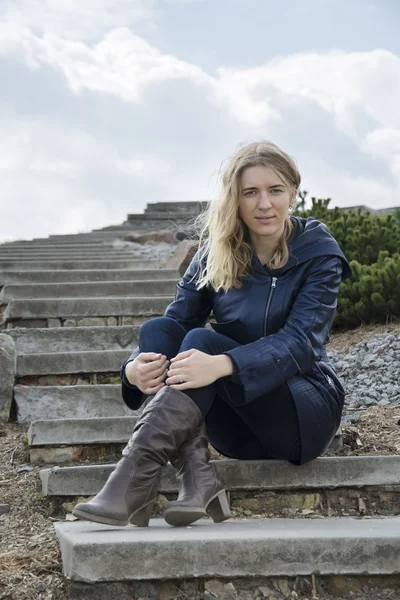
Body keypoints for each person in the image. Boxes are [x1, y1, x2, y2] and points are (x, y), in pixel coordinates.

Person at [73, 140, 353, 528]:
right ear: (234, 200)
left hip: (301, 416)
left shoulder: (318, 252)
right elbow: (172, 328)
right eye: (250, 193)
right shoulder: (214, 253)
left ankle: (133, 479)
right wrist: (132, 371)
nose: (264, 204)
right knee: (161, 330)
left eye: (274, 190)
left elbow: (302, 343)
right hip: (235, 431)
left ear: (293, 191)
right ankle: (196, 473)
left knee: (202, 343)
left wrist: (225, 363)